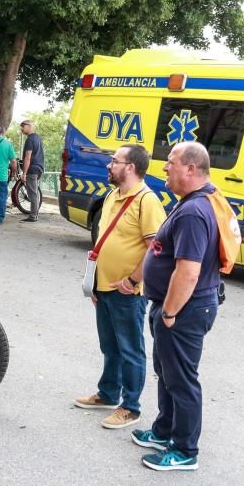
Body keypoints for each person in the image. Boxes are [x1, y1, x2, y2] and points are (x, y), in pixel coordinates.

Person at [134, 141, 221, 471]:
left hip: (184, 310)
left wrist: (169, 312)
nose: (164, 168)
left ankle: (185, 451)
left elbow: (188, 270)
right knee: (167, 373)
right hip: (175, 307)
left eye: (171, 162)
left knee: (182, 379)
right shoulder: (192, 203)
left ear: (191, 169)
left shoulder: (194, 212)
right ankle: (165, 430)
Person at [74, 144, 165, 430]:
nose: (108, 165)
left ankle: (131, 407)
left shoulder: (146, 201)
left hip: (127, 290)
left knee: (130, 349)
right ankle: (108, 393)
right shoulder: (114, 194)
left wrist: (133, 280)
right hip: (105, 285)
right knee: (109, 345)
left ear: (131, 167)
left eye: (115, 161)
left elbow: (155, 250)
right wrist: (96, 283)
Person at [18, 119, 44, 223]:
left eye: (22, 127)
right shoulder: (38, 138)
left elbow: (27, 158)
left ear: (29, 126)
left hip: (32, 169)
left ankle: (33, 216)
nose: (22, 130)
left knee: (32, 194)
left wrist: (24, 173)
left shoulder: (30, 140)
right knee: (34, 192)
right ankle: (34, 214)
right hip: (39, 168)